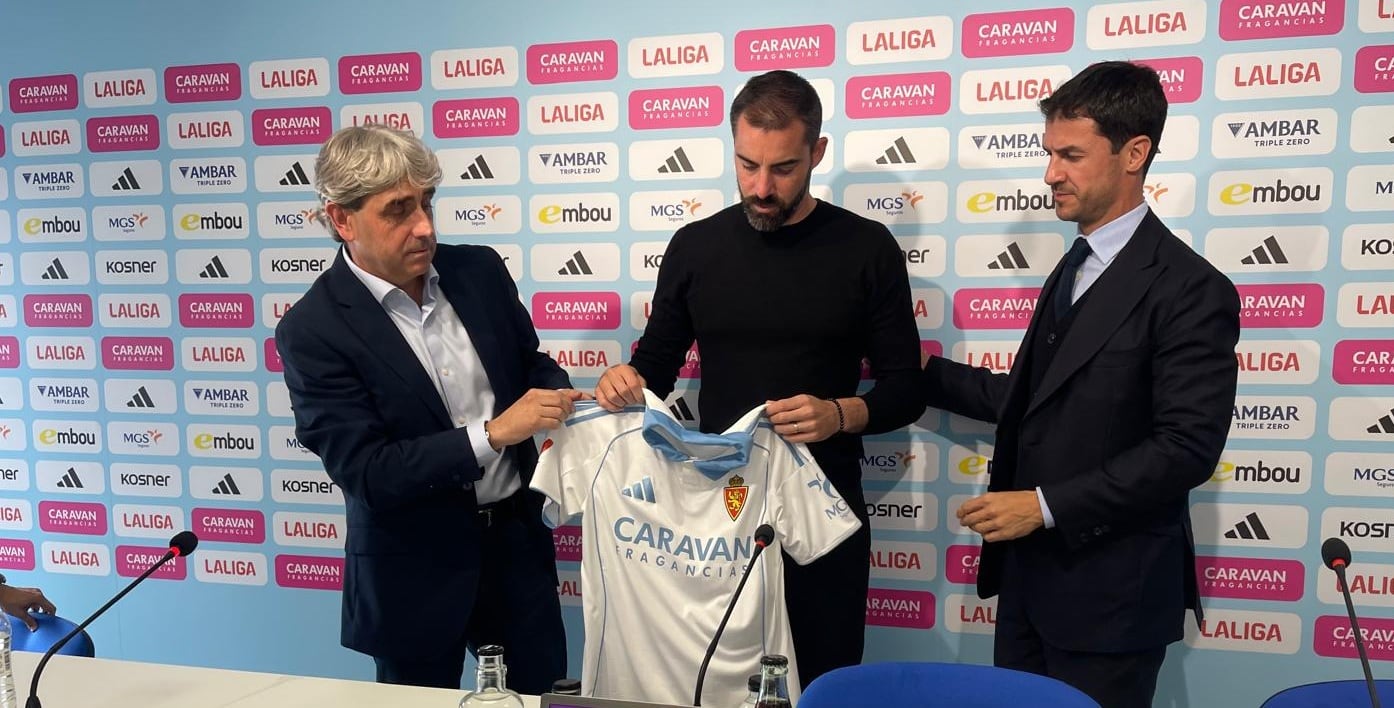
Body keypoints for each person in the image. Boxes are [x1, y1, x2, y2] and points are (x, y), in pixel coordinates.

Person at [923, 61, 1240, 708]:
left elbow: (1185, 449)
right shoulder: (1073, 265)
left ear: (1135, 154)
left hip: (1112, 604)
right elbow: (1034, 401)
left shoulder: (1192, 289)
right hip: (1028, 588)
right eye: (1049, 153)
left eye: (1070, 155)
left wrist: (1042, 506)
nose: (1050, 174)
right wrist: (917, 370)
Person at [595, 69, 924, 687]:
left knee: (824, 680)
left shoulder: (868, 248)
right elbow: (654, 366)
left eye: (783, 168)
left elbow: (906, 388)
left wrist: (839, 413)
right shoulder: (695, 246)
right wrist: (624, 379)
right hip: (717, 517)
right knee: (718, 682)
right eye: (747, 165)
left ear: (817, 152)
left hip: (825, 510)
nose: (762, 188)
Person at [275, 124, 582, 691]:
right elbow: (368, 472)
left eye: (427, 202)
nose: (424, 227)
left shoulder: (479, 271)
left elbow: (528, 363)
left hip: (515, 550)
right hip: (411, 571)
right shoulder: (312, 330)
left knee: (539, 698)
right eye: (398, 210)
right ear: (342, 219)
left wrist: (558, 395)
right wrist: (493, 433)